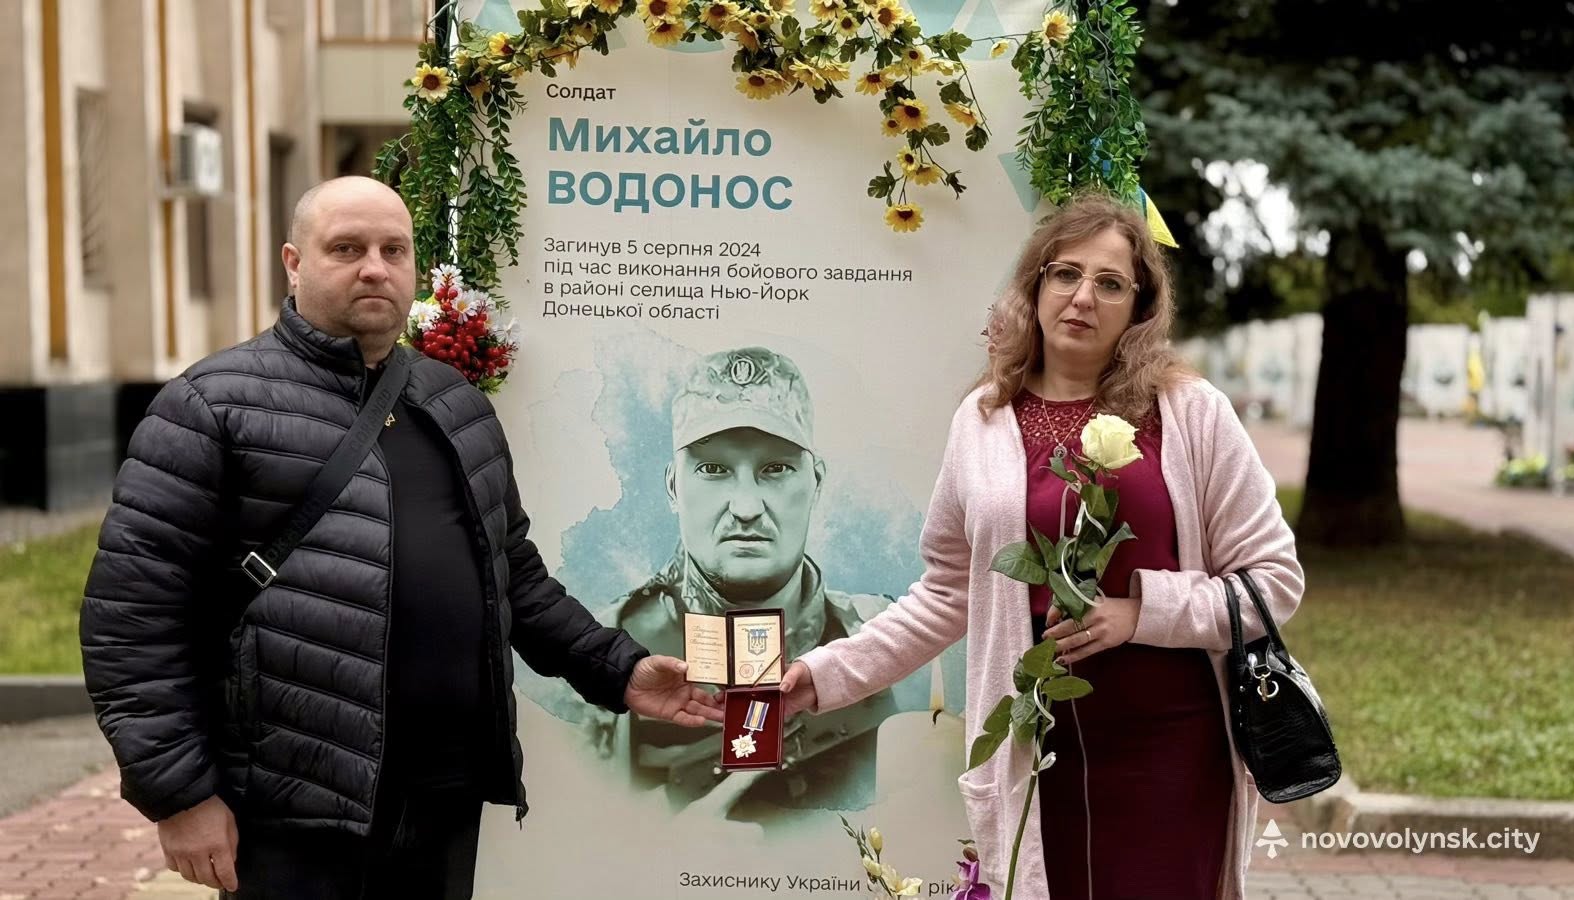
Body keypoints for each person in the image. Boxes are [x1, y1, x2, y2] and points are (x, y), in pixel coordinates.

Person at [78, 176, 720, 900]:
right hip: (294, 806)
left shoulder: (455, 403)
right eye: (346, 249)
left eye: (393, 250)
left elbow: (512, 575)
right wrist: (181, 795)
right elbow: (131, 621)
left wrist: (618, 670)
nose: (374, 268)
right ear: (293, 262)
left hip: (443, 798)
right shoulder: (209, 406)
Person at [779, 193, 1305, 899]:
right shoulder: (983, 420)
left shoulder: (1189, 412)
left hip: (1170, 747)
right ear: (1035, 285)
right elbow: (946, 594)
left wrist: (1139, 612)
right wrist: (822, 677)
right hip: (1034, 751)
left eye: (1110, 283)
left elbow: (1273, 582)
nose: (1083, 297)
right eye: (1066, 274)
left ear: (1140, 307)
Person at [587, 346, 915, 820]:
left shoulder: (888, 644)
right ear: (673, 486)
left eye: (775, 469)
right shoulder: (598, 655)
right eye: (713, 469)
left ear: (816, 483)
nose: (745, 507)